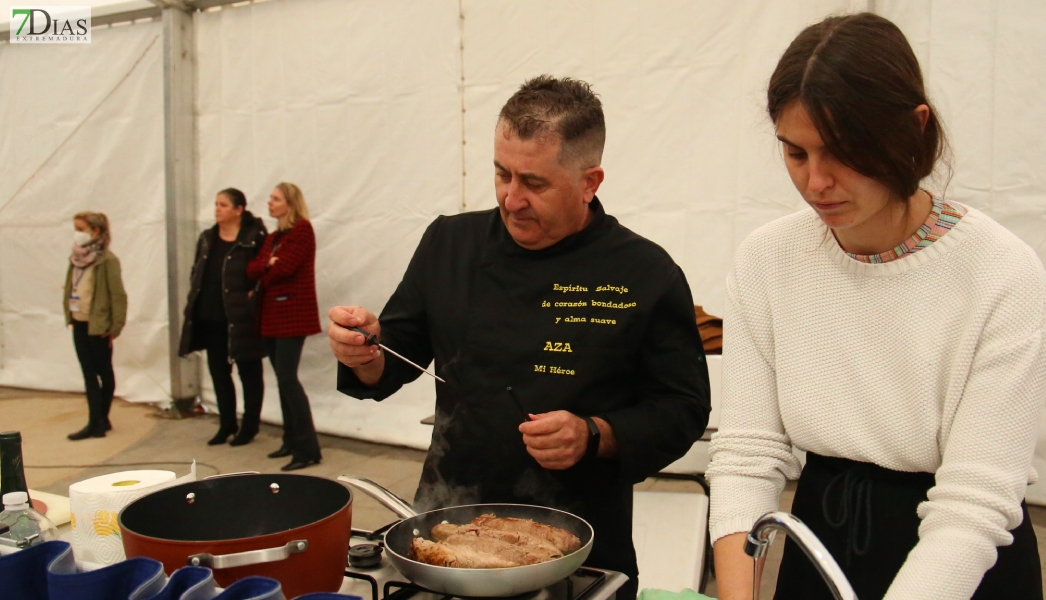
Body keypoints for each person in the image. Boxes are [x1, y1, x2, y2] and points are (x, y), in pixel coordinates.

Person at [707, 13, 1046, 600]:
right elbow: (747, 453)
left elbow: (973, 505)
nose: (817, 182)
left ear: (914, 129)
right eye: (795, 153)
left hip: (962, 561)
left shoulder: (1001, 275)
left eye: (844, 152)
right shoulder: (769, 260)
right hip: (822, 536)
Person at [328, 75, 711, 599]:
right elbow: (390, 359)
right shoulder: (449, 244)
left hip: (578, 547)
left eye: (534, 183)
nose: (511, 199)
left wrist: (594, 433)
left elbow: (683, 409)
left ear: (589, 181)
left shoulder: (646, 272)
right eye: (500, 174)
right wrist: (362, 350)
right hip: (447, 533)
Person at [179, 188, 269, 446]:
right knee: (219, 372)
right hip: (211, 318)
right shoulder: (207, 237)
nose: (217, 209)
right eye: (216, 204)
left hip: (241, 319)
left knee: (249, 373)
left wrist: (252, 296)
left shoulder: (253, 237)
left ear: (239, 209)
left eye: (223, 205)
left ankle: (249, 427)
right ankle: (226, 423)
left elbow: (261, 274)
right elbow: (196, 270)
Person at [246, 182, 323, 471]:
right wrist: (268, 264)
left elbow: (284, 269)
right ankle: (291, 439)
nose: (269, 202)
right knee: (282, 379)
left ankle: (308, 448)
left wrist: (267, 269)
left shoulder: (302, 230)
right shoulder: (276, 236)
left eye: (275, 198)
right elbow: (252, 268)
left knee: (288, 379)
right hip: (272, 317)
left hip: (293, 316)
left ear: (289, 203)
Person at [63, 212, 127, 440]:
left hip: (99, 326)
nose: (77, 234)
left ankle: (101, 418)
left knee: (104, 373)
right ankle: (95, 420)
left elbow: (118, 296)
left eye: (81, 228)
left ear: (95, 231)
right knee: (88, 374)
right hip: (79, 322)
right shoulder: (76, 258)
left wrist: (115, 327)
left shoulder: (107, 261)